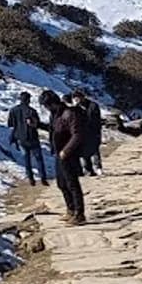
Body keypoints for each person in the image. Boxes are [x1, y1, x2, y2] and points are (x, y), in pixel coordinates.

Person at [48, 95, 88, 224]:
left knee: (72, 183)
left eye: (48, 106)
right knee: (61, 183)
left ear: (54, 103)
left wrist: (66, 150)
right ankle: (70, 209)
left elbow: (77, 134)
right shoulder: (56, 114)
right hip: (58, 153)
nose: (47, 109)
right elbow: (54, 130)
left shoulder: (69, 113)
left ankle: (79, 213)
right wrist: (37, 125)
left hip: (68, 154)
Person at [6, 91, 48, 183]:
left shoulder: (13, 110)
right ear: (28, 100)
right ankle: (43, 178)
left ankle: (30, 178)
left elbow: (10, 124)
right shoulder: (32, 111)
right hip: (32, 137)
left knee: (26, 159)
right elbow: (37, 124)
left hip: (21, 138)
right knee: (39, 159)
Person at [75, 90, 104, 175]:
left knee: (95, 150)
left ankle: (98, 167)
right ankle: (88, 169)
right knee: (84, 151)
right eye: (76, 99)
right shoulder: (76, 108)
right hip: (83, 133)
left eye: (78, 98)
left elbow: (96, 120)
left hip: (93, 131)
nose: (77, 100)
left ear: (82, 97)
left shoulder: (93, 106)